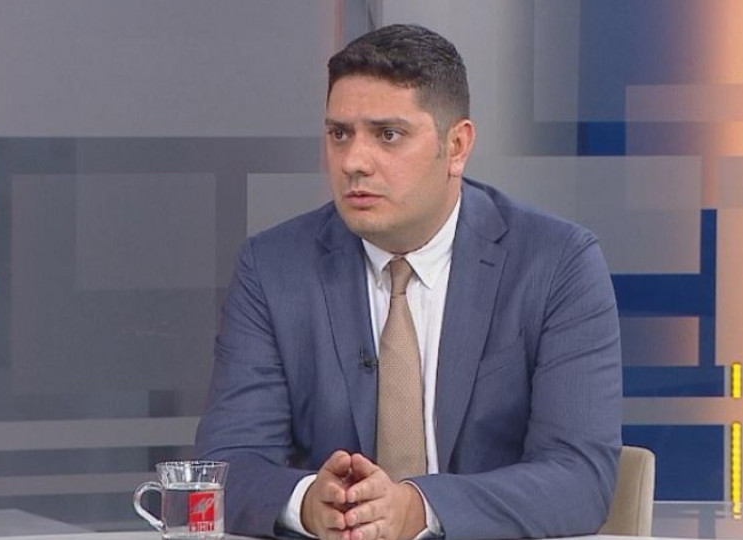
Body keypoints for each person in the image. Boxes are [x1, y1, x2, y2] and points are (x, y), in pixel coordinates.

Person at [196, 23, 622, 540]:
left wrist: (418, 508)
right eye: (339, 134)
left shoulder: (556, 264)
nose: (354, 162)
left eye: (388, 135)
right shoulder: (273, 268)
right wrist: (308, 502)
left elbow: (579, 477)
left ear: (456, 146)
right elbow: (227, 468)